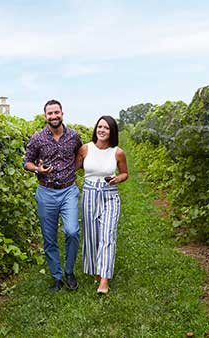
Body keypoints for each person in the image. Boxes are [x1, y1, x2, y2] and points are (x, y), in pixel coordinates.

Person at [24, 99, 82, 292]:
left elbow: (80, 156)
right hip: (46, 191)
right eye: (50, 113)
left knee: (72, 231)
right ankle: (56, 277)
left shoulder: (74, 136)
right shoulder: (38, 137)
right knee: (49, 238)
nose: (54, 116)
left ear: (62, 114)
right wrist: (37, 169)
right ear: (45, 116)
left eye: (56, 112)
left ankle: (69, 271)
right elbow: (27, 161)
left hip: (68, 190)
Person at [76, 115, 128, 294]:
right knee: (91, 236)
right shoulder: (85, 149)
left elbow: (125, 174)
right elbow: (74, 167)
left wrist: (117, 179)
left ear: (112, 131)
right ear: (95, 129)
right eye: (99, 127)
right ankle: (96, 270)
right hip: (89, 194)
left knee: (108, 235)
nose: (102, 130)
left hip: (110, 195)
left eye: (106, 128)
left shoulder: (118, 152)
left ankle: (104, 280)